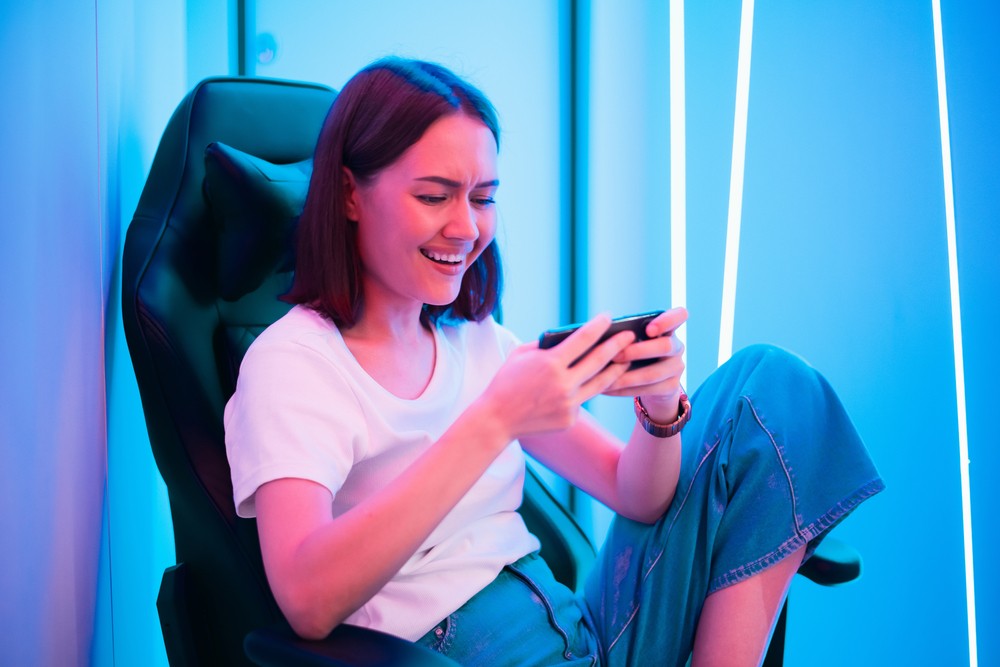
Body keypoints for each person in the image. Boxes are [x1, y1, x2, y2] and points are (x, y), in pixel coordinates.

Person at [224, 57, 884, 666]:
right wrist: (491, 421)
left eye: (482, 197)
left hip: (579, 634)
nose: (466, 228)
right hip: (457, 651)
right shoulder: (295, 363)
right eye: (434, 196)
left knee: (769, 386)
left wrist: (659, 411)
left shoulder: (478, 345)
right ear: (348, 194)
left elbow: (637, 494)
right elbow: (306, 600)